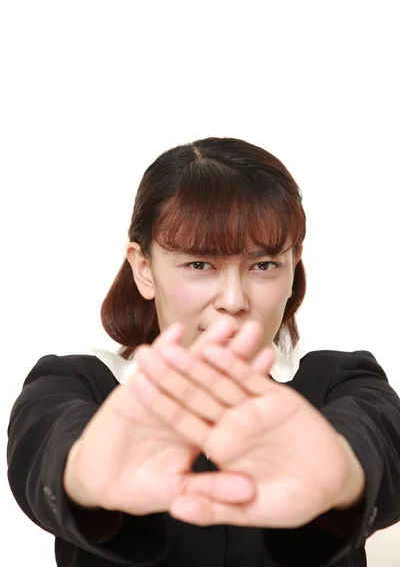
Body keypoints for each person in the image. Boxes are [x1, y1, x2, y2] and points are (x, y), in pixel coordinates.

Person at [6, 137, 400, 567]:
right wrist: (81, 474)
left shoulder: (344, 381)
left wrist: (343, 472)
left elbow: (382, 438)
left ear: (293, 267)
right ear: (144, 268)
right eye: (200, 264)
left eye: (264, 265)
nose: (233, 299)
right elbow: (42, 447)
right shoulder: (72, 384)